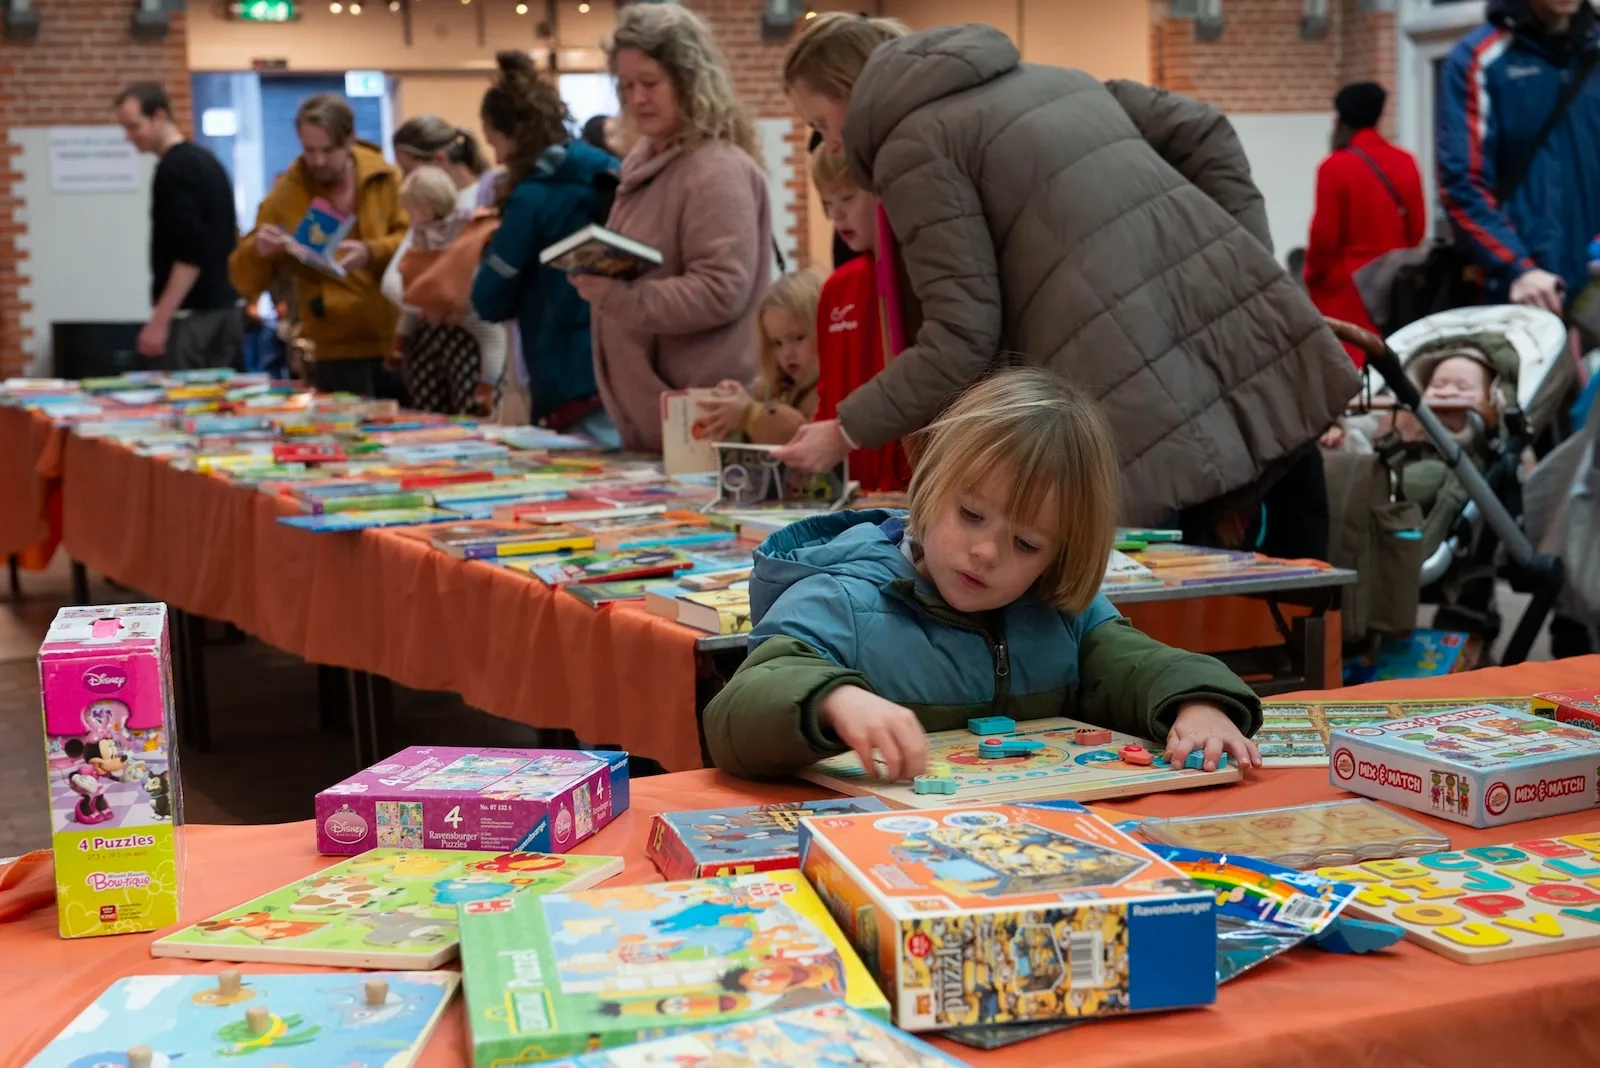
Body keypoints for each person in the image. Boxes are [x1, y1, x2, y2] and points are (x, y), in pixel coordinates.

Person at [777, 16, 1360, 559]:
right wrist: (1240, 263)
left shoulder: (913, 144)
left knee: (1169, 627)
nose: (829, 144)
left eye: (820, 123)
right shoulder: (1058, 80)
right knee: (1298, 603)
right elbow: (1204, 129)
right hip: (1242, 366)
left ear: (849, 91)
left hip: (1128, 413)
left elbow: (961, 333)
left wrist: (845, 430)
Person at [702, 368, 1263, 781]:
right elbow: (734, 716)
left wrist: (1198, 703)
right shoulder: (842, 596)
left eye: (1026, 543)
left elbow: (1141, 665)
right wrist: (833, 700)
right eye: (970, 515)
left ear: (1058, 557)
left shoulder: (1062, 615)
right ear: (930, 485)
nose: (987, 553)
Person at [571, 3, 772, 452]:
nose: (638, 98)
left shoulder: (714, 169)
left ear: (690, 81)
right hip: (658, 420)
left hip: (699, 419)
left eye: (651, 83)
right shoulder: (651, 162)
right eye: (626, 87)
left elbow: (722, 289)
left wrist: (618, 298)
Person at [471, 51, 619, 445]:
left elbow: (488, 299)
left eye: (495, 143)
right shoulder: (607, 170)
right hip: (620, 367)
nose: (497, 159)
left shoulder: (533, 197)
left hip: (564, 373)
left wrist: (486, 249)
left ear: (513, 134)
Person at [229, 94, 409, 399]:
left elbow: (414, 241)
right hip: (330, 349)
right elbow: (243, 279)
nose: (318, 161)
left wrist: (371, 251)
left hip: (397, 340)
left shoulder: (387, 179)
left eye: (328, 150)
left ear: (350, 140)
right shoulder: (288, 193)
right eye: (309, 150)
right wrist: (257, 250)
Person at [1438, 0, 1600, 316]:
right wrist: (1517, 266)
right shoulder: (1478, 58)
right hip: (1520, 289)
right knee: (1459, 368)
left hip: (1595, 285)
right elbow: (1462, 183)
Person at [113, 82, 242, 371]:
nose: (128, 136)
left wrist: (159, 321)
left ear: (159, 116)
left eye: (134, 126)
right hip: (224, 309)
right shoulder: (205, 160)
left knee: (187, 409)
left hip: (194, 317)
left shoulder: (174, 170)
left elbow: (190, 253)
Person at [805, 147, 910, 492]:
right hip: (851, 484)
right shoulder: (837, 288)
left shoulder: (914, 282)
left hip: (908, 482)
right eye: (827, 203)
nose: (836, 215)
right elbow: (828, 392)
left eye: (847, 198)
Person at [383, 115, 500, 416]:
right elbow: (396, 280)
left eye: (408, 170)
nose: (405, 180)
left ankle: (488, 383)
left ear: (439, 160)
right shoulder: (423, 214)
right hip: (431, 327)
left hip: (466, 328)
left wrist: (433, 294)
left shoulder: (480, 206)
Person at [1304, 83, 1426, 367]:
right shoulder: (1405, 161)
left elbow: (1324, 236)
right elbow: (1417, 230)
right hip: (1394, 289)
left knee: (1345, 369)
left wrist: (1312, 277)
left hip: (1346, 291)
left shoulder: (1335, 166)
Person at [697, 270, 822, 445]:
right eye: (777, 343)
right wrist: (735, 414)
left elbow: (804, 437)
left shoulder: (830, 390)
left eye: (798, 338)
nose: (787, 353)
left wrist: (749, 414)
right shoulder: (775, 389)